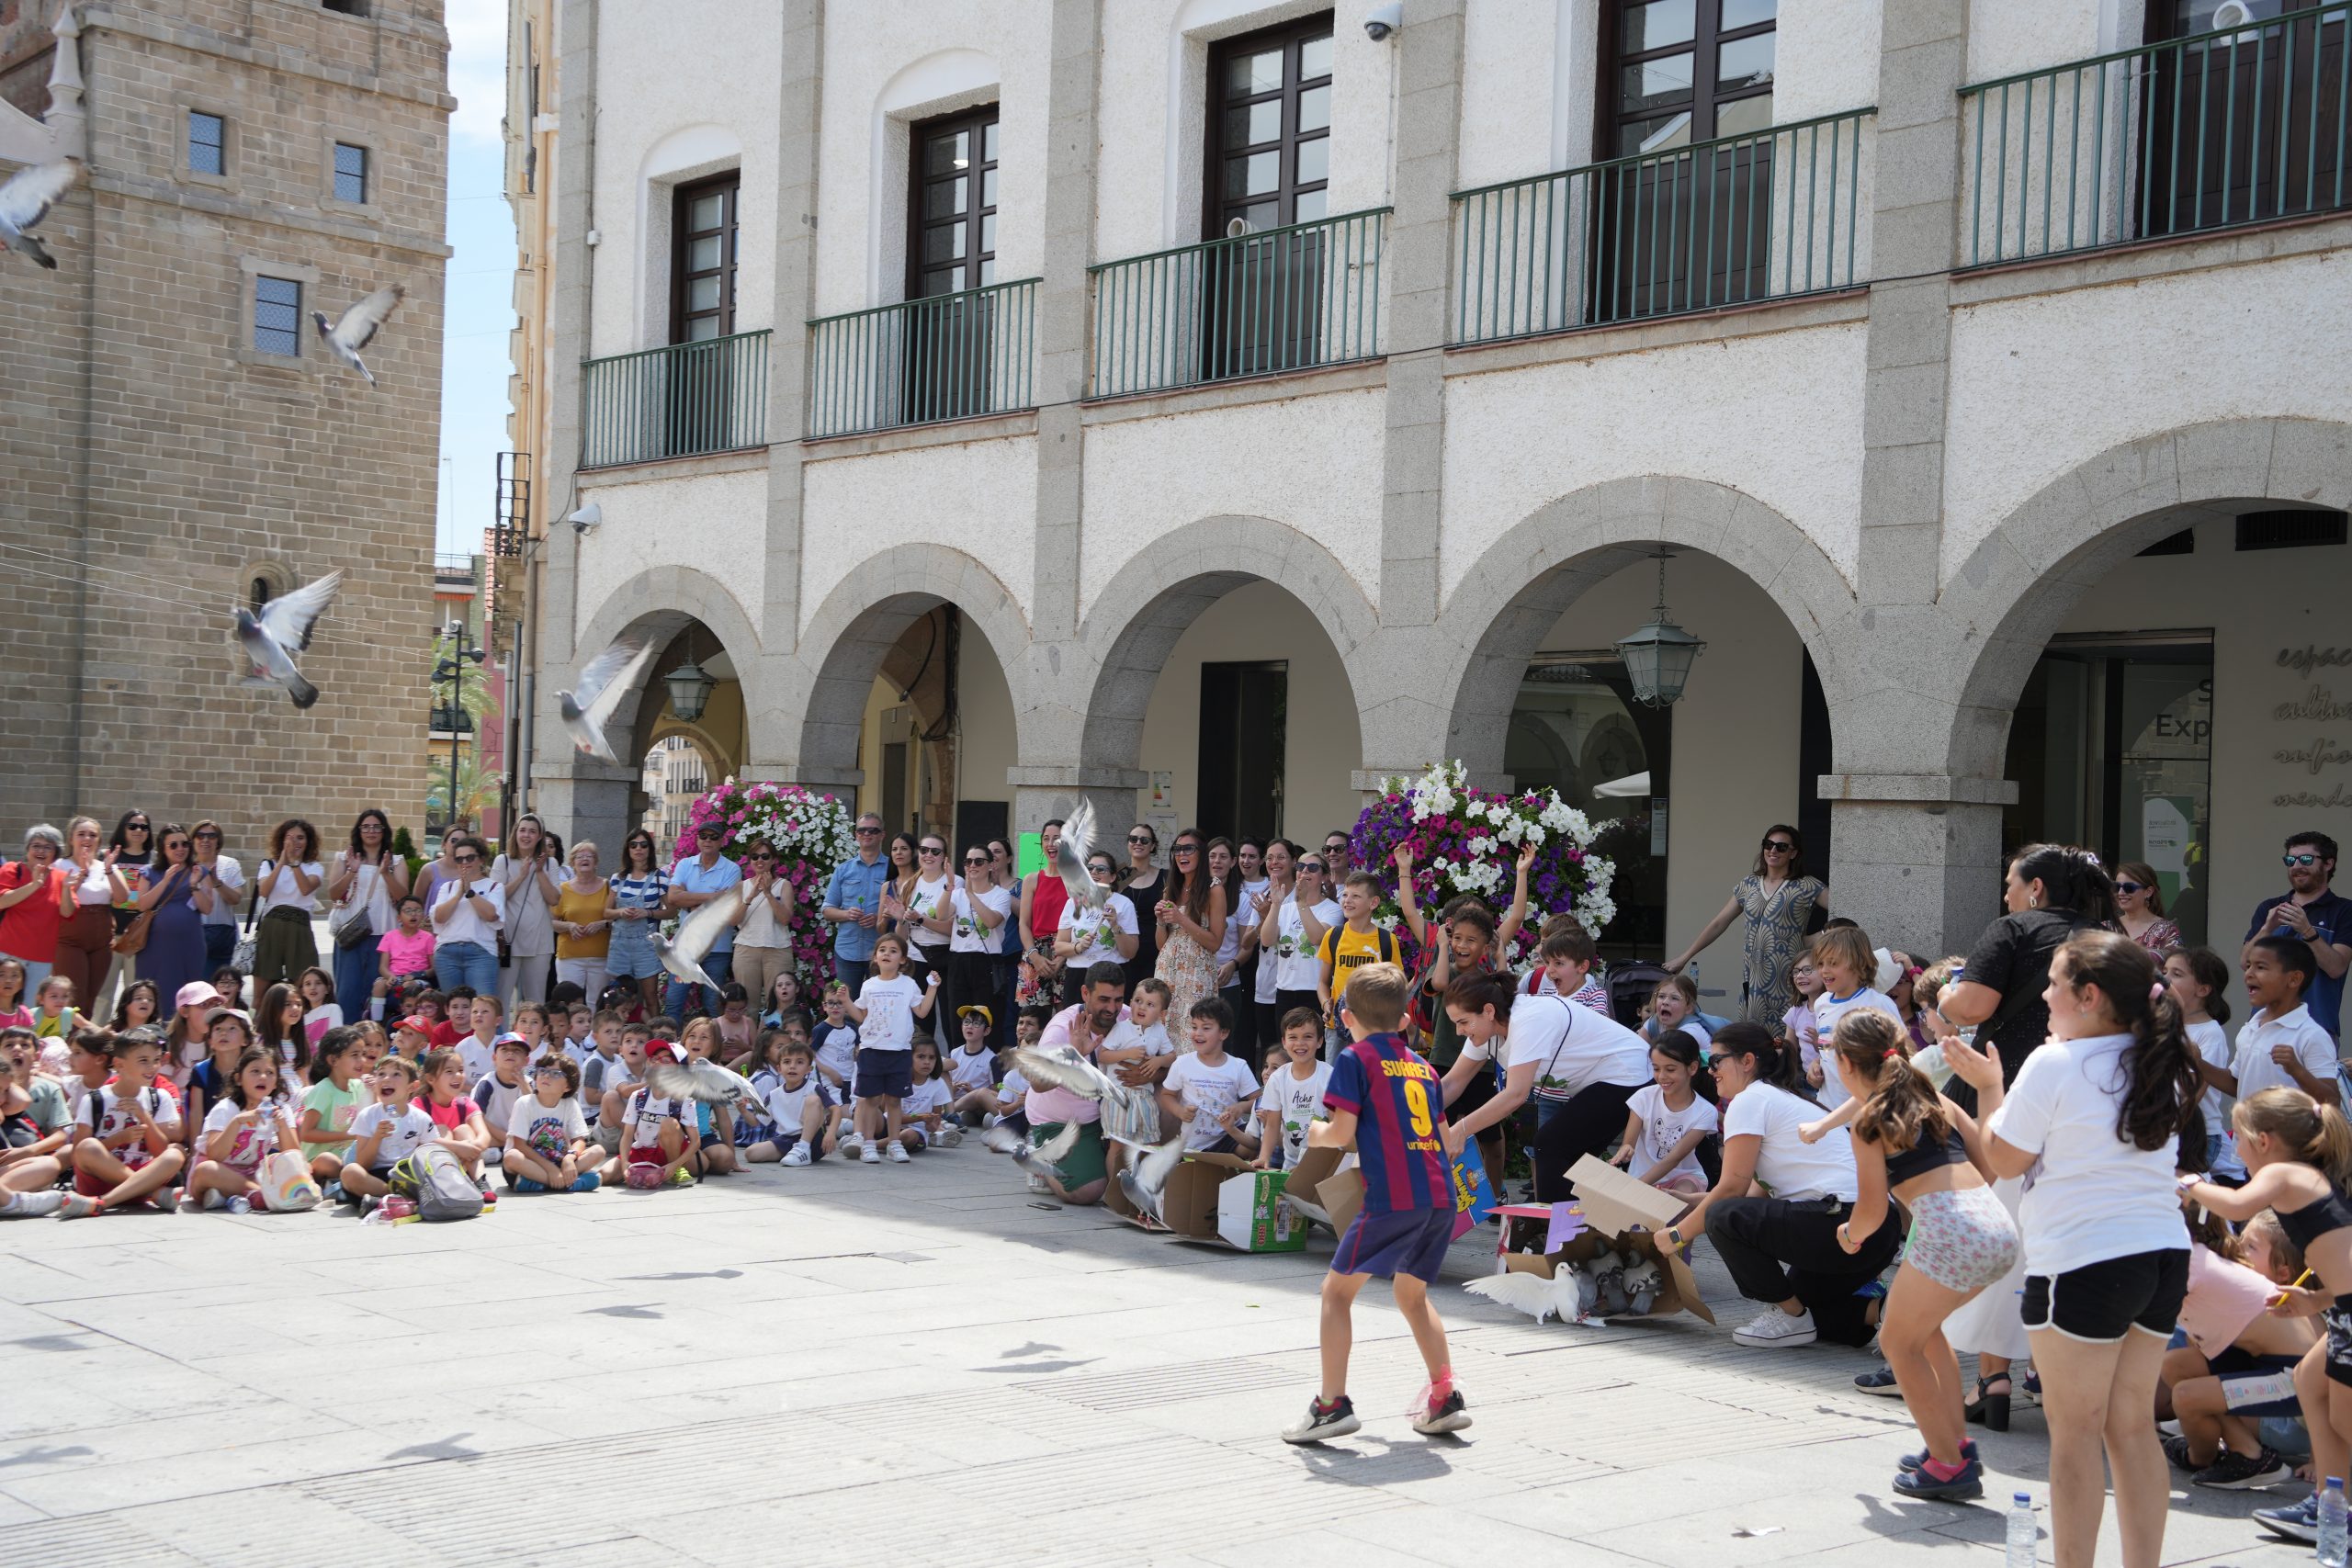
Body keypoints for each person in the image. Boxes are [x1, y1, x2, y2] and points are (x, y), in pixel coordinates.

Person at [1944, 931, 2201, 1568]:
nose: (2045, 995)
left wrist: (1988, 1085)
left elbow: (2003, 1160)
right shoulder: (2159, 1057)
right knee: (2131, 1426)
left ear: (2089, 996)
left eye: (2054, 983)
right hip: (2163, 1253)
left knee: (2076, 1433)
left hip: (2085, 1259)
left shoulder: (2054, 1062)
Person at [1827, 1009, 2018, 1500]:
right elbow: (1991, 1166)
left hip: (1952, 1235)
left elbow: (1871, 1211)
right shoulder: (1935, 1099)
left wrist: (1850, 1234)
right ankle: (1951, 1448)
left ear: (1846, 1063)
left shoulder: (1868, 1119)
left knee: (1898, 1343)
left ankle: (1949, 1465)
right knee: (1927, 1333)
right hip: (1997, 1229)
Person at [1282, 962, 1471, 1444]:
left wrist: (1317, 1132)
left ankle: (1331, 1406)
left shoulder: (1355, 1059)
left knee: (1335, 1293)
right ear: (1405, 1019)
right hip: (1439, 1196)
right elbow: (1443, 1139)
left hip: (1393, 1196)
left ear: (1346, 1018)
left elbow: (1341, 1132)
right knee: (1412, 1295)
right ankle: (1444, 1396)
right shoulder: (1424, 1068)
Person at [1662, 1022, 1898, 1350]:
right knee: (1808, 1310)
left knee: (1724, 1218)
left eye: (1715, 1061)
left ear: (1747, 1061)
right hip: (1877, 1229)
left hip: (1845, 1220)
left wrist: (1677, 1236)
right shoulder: (1780, 1098)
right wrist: (1689, 1200)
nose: (1710, 1070)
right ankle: (1889, 1312)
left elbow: (1730, 1193)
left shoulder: (1750, 1099)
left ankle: (1790, 1317)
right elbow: (1752, 1196)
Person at [1440, 926, 1652, 1203]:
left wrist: (1461, 1130)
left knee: (1550, 1144)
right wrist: (1408, 1116)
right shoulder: (1484, 1030)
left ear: (1488, 1011)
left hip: (1630, 1073)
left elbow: (1515, 1094)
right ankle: (1595, 1221)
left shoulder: (1528, 1019)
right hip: (1603, 1081)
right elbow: (1452, 1083)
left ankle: (1556, 1228)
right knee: (1568, 1160)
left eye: (1463, 1022)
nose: (1459, 1032)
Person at [1937, 842, 2119, 1109]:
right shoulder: (2107, 938)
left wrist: (1945, 999)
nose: (2006, 897)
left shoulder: (2012, 929)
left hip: (2006, 1085)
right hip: (2088, 1087)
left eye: (2010, 885)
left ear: (2036, 887)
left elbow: (1970, 1010)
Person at [1667, 825, 1827, 1024]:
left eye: (1781, 847)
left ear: (1793, 853)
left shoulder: (1807, 885)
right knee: (1752, 1035)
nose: (1773, 850)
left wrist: (1814, 939)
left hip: (1788, 976)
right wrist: (1685, 957)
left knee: (1787, 1034)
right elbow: (1719, 923)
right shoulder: (1749, 884)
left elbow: (1844, 912)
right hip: (1752, 979)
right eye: (1768, 844)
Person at [1028, 963, 1129, 1205]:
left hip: (1110, 1117)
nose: (1112, 1008)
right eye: (1104, 999)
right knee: (1088, 1191)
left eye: (1118, 1000)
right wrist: (1073, 1056)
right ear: (1085, 993)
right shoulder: (1061, 1027)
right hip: (1062, 1123)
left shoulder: (1130, 1015)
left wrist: (1148, 1074)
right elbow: (1037, 1083)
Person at [63, 1030, 186, 1217]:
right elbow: (77, 1155)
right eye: (143, 1060)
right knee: (88, 1146)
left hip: (143, 1174)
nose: (152, 1067)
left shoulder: (159, 1097)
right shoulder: (95, 1099)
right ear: (119, 1064)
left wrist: (144, 1116)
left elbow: (160, 1152)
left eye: (156, 1060)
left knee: (176, 1153)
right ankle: (151, 1193)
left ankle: (102, 1203)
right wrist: (118, 1139)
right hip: (101, 1181)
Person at [2247, 830, 2351, 1041]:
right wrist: (2267, 929)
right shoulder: (2269, 907)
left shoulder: (2344, 910)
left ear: (2328, 863)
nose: (2296, 866)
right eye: (2290, 860)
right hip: (2263, 1025)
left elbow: (2336, 968)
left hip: (2317, 1028)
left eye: (2306, 859)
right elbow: (2245, 962)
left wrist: (2307, 931)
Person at [843, 932, 937, 1167]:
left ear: (903, 959)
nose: (887, 954)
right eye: (882, 950)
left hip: (899, 1051)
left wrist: (932, 987)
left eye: (893, 951)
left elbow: (922, 1011)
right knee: (871, 1099)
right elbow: (860, 1016)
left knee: (894, 1101)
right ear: (875, 957)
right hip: (872, 1050)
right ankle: (867, 1144)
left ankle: (895, 1143)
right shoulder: (869, 985)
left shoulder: (908, 984)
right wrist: (846, 1001)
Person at [182, 1046, 298, 1214]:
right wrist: (236, 1122)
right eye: (255, 1071)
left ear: (275, 1083)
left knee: (290, 1167)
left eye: (270, 1073)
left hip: (253, 1172)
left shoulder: (280, 1109)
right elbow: (215, 1156)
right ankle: (259, 1194)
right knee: (206, 1170)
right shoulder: (226, 1108)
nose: (263, 1077)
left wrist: (282, 1125)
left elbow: (294, 1155)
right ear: (238, 1079)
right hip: (221, 1173)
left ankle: (227, 1198)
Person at [2165, 946, 2244, 1182]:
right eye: (2164, 971)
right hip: (2167, 1127)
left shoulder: (2209, 1033)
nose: (2166, 979)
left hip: (2196, 1133)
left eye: (2177, 974)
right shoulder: (2164, 1024)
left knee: (2187, 1192)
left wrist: (2170, 1125)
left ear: (2203, 989)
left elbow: (2198, 1087)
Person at [1611, 1030, 1717, 1196]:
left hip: (1682, 1177)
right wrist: (1625, 1150)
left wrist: (1634, 1188)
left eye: (1670, 1069)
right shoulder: (1643, 1097)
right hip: (1641, 1176)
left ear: (1692, 1068)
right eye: (1656, 1068)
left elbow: (1673, 1159)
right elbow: (1628, 1143)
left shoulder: (1705, 1112)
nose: (1661, 1076)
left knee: (1681, 1194)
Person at [326, 809, 407, 1022]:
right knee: (347, 991)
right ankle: (346, 1035)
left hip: (384, 936)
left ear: (384, 831)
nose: (371, 831)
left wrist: (385, 873)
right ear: (359, 830)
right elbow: (333, 894)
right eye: (366, 827)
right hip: (351, 934)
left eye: (376, 827)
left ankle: (373, 1035)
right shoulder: (344, 859)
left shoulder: (396, 861)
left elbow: (402, 898)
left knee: (377, 991)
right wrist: (352, 871)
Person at [1160, 997, 1258, 1156]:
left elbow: (1259, 1100)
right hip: (1195, 1142)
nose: (1197, 1033)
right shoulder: (1182, 1063)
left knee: (1252, 1145)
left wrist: (1242, 1107)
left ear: (1223, 1033)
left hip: (1229, 1136)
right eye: (1194, 1027)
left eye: (1206, 1028)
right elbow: (1166, 1095)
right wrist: (1180, 1111)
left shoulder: (1238, 1066)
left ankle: (1235, 1166)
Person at [664, 822, 742, 1021]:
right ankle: (669, 1040)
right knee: (674, 1002)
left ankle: (711, 1041)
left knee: (713, 1005)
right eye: (703, 836)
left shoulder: (732, 869)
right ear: (697, 839)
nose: (708, 840)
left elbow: (724, 908)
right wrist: (713, 897)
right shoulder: (685, 864)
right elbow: (673, 897)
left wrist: (688, 899)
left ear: (722, 841)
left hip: (718, 949)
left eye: (713, 837)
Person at [1316, 871, 1399, 1053]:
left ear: (1373, 903)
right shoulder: (1333, 935)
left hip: (1373, 1027)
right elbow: (1322, 983)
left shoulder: (1386, 940)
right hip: (1337, 1027)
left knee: (1369, 1071)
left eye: (1355, 896)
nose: (1347, 900)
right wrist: (1325, 1004)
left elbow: (1396, 988)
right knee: (1336, 1071)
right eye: (1345, 895)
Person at [130, 824, 207, 1017]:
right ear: (163, 849)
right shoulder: (149, 872)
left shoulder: (199, 871)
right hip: (156, 946)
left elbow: (207, 907)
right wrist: (164, 881)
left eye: (184, 844)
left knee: (189, 991)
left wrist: (194, 885)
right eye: (173, 845)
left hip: (189, 946)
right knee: (156, 990)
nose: (180, 849)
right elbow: (142, 904)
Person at [1151, 829, 1226, 1026]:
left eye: (1188, 849)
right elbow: (1161, 945)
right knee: (1165, 1030)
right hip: (1167, 970)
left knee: (1193, 1030)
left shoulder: (1214, 890)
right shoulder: (1170, 890)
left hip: (1196, 974)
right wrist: (1160, 921)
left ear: (1202, 853)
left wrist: (1181, 919)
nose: (1181, 854)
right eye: (1177, 849)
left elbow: (1215, 943)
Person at [52, 817, 124, 1013]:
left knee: (93, 996)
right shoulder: (59, 866)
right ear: (71, 839)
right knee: (74, 995)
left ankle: (82, 1033)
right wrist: (80, 877)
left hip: (101, 940)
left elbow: (122, 898)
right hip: (70, 939)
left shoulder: (106, 866)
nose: (87, 839)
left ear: (99, 840)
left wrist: (109, 870)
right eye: (81, 834)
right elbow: (62, 907)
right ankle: (68, 1032)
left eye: (92, 835)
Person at [1261, 850, 1336, 1033]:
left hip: (1314, 991)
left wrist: (1302, 903)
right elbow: (1267, 940)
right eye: (1301, 867)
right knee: (1287, 1045)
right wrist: (1276, 905)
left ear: (1325, 876)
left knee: (1315, 1045)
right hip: (1285, 990)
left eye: (1313, 867)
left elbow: (1316, 938)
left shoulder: (1333, 910)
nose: (1305, 871)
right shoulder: (1285, 908)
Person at [491, 813, 560, 1010]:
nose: (526, 835)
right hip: (509, 940)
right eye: (522, 830)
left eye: (532, 831)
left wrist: (539, 871)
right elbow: (496, 897)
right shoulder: (502, 861)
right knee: (502, 999)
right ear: (515, 833)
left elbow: (554, 899)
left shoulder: (550, 863)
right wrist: (521, 876)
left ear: (539, 836)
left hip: (540, 942)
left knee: (536, 1001)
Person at [504, 1054, 601, 1193]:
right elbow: (519, 1145)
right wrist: (551, 1169)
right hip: (531, 1164)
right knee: (512, 1157)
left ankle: (540, 1184)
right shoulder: (524, 1103)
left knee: (598, 1151)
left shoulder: (570, 1104)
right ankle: (570, 1183)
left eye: (555, 1073)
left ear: (567, 1086)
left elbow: (579, 1140)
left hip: (560, 1161)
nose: (546, 1076)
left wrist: (569, 1158)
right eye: (542, 1071)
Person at [821, 812, 892, 998]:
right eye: (862, 830)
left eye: (873, 830)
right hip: (848, 951)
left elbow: (902, 907)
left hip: (881, 952)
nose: (867, 834)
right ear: (856, 835)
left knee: (879, 1006)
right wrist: (846, 914)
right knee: (847, 1005)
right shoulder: (843, 870)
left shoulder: (893, 869)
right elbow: (827, 910)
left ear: (882, 835)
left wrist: (880, 918)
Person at [248, 819, 323, 992]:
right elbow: (264, 891)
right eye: (289, 837)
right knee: (262, 992)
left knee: (303, 989)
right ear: (282, 840)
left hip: (300, 929)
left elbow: (305, 888)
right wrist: (281, 862)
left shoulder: (314, 867)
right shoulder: (268, 865)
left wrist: (295, 863)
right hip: (272, 927)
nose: (294, 842)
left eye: (300, 838)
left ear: (308, 842)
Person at [603, 830, 670, 1020]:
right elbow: (606, 912)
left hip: (646, 944)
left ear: (650, 848)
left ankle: (657, 1032)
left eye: (643, 845)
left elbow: (671, 911)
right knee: (618, 997)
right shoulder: (618, 877)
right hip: (620, 944)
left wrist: (647, 913)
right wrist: (621, 912)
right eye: (633, 845)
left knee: (650, 996)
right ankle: (617, 1032)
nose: (638, 849)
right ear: (628, 849)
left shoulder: (659, 877)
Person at [1255, 1007, 1331, 1170]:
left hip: (1325, 1166)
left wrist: (1316, 1165)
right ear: (1284, 1042)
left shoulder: (1330, 1076)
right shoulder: (1277, 1079)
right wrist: (1263, 1158)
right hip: (1291, 1164)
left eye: (1308, 1037)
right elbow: (1272, 1125)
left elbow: (1337, 1124)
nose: (1300, 1043)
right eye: (1293, 1037)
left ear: (1320, 1041)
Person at [430, 836, 506, 997]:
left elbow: (491, 915)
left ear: (481, 859)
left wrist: (470, 892)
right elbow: (439, 917)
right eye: (459, 859)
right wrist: (459, 893)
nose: (464, 862)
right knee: (453, 1006)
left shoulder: (494, 886)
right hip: (447, 953)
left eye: (470, 857)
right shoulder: (448, 887)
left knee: (483, 1005)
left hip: (481, 953)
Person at [946, 845, 1010, 1038]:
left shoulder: (1001, 894)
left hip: (987, 961)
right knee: (957, 1019)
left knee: (987, 1020)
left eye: (978, 861)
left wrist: (971, 894)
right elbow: (941, 916)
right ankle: (958, 1056)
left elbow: (991, 922)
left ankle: (988, 1057)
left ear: (991, 866)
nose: (972, 866)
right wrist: (950, 886)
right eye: (968, 862)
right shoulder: (957, 894)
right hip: (958, 960)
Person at [726, 839, 794, 1015]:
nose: (759, 860)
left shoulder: (784, 885)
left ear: (773, 859)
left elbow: (785, 919)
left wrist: (768, 893)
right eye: (755, 857)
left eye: (765, 856)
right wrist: (750, 896)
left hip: (777, 949)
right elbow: (733, 921)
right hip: (746, 949)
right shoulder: (742, 886)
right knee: (747, 1007)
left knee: (779, 1005)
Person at [0, 824, 66, 993]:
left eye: (47, 847)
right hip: (7, 952)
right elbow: (2, 901)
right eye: (36, 846)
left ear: (55, 853)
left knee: (29, 1006)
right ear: (27, 849)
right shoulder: (12, 869)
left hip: (41, 958)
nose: (41, 851)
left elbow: (67, 913)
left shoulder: (61, 878)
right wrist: (34, 884)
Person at [1055, 851, 1139, 977]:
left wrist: (1115, 925)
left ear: (1112, 877)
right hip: (1078, 973)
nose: (1094, 872)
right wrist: (1078, 947)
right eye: (1089, 868)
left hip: (1112, 974)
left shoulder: (1124, 904)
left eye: (1101, 869)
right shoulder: (1073, 903)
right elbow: (1059, 947)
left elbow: (1130, 953)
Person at [188, 821, 244, 974]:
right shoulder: (185, 866)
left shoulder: (229, 865)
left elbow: (235, 899)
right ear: (193, 840)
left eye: (211, 836)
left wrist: (217, 882)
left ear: (218, 840)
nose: (205, 840)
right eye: (200, 836)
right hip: (191, 937)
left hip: (221, 939)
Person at [1119, 824, 1163, 991]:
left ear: (1152, 846)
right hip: (1122, 952)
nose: (1138, 843)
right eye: (1133, 839)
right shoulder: (1116, 877)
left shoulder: (1165, 877)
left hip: (1153, 953)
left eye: (1144, 840)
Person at [2112, 861, 2181, 955]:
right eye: (2117, 887)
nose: (2120, 893)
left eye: (2129, 887)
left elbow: (2178, 961)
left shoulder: (2167, 932)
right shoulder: (2104, 928)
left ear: (2148, 892)